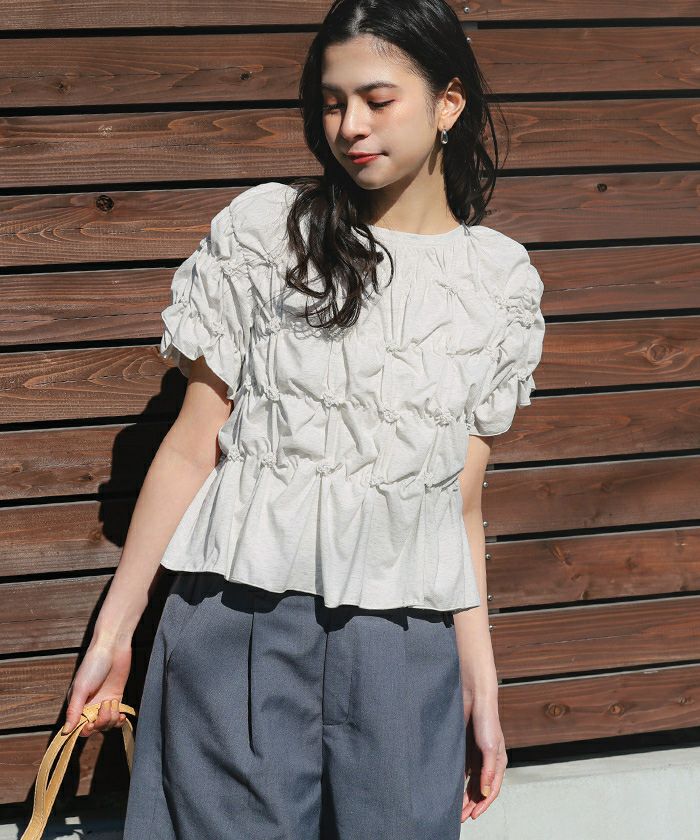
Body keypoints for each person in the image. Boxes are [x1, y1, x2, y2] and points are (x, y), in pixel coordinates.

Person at [60, 0, 545, 837]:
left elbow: (457, 504)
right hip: (239, 623)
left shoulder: (498, 283)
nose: (350, 126)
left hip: (405, 642)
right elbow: (192, 448)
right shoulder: (269, 235)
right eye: (331, 102)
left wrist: (482, 686)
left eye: (378, 99)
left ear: (448, 104)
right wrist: (116, 631)